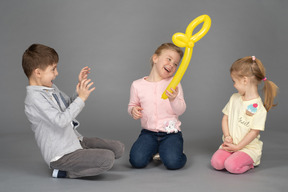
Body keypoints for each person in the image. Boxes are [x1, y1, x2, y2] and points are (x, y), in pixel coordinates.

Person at [22, 43, 124, 178]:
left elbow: (68, 105)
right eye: (53, 69)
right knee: (108, 159)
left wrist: (79, 89)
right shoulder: (34, 99)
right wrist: (81, 99)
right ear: (38, 72)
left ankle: (83, 154)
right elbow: (61, 121)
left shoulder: (50, 88)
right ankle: (64, 172)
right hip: (61, 153)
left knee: (118, 148)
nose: (56, 73)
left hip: (75, 140)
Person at [211, 56, 278, 174]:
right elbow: (225, 118)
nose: (233, 85)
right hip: (230, 145)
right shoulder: (234, 98)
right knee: (216, 163)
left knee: (231, 166)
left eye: (234, 81)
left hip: (247, 148)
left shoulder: (259, 108)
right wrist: (227, 136)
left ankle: (250, 162)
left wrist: (237, 148)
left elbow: (254, 132)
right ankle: (233, 155)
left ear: (245, 80)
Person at [128, 43, 187, 170]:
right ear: (155, 58)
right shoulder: (137, 85)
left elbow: (181, 109)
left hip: (171, 133)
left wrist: (173, 99)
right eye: (169, 59)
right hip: (148, 133)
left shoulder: (174, 83)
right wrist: (133, 110)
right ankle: (156, 150)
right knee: (136, 161)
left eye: (176, 64)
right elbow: (132, 105)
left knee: (173, 162)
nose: (172, 64)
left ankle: (171, 151)